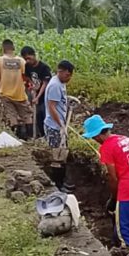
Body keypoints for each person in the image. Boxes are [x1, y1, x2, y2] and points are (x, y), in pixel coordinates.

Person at [82, 115, 129, 250]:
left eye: (93, 138)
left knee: (123, 233)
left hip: (127, 192)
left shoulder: (107, 147)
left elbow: (113, 177)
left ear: (98, 135)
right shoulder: (127, 140)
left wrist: (114, 197)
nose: (94, 140)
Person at [0, 39, 32, 140]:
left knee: (11, 115)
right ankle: (30, 137)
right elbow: (26, 77)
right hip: (20, 94)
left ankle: (17, 137)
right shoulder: (21, 61)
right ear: (13, 48)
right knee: (27, 116)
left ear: (3, 49)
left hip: (5, 94)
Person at [44, 60, 75, 191]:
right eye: (67, 75)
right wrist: (61, 125)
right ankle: (58, 185)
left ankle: (62, 182)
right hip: (55, 127)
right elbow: (51, 107)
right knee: (57, 157)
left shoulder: (60, 83)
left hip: (59, 125)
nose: (69, 78)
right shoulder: (55, 85)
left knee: (63, 155)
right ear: (60, 72)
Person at [21, 46, 52, 139]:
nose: (27, 61)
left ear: (34, 55)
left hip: (45, 96)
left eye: (29, 58)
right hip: (35, 94)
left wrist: (38, 97)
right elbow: (27, 77)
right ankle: (41, 135)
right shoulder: (27, 66)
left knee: (45, 115)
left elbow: (45, 83)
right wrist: (31, 85)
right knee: (38, 116)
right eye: (25, 59)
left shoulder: (44, 68)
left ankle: (48, 135)